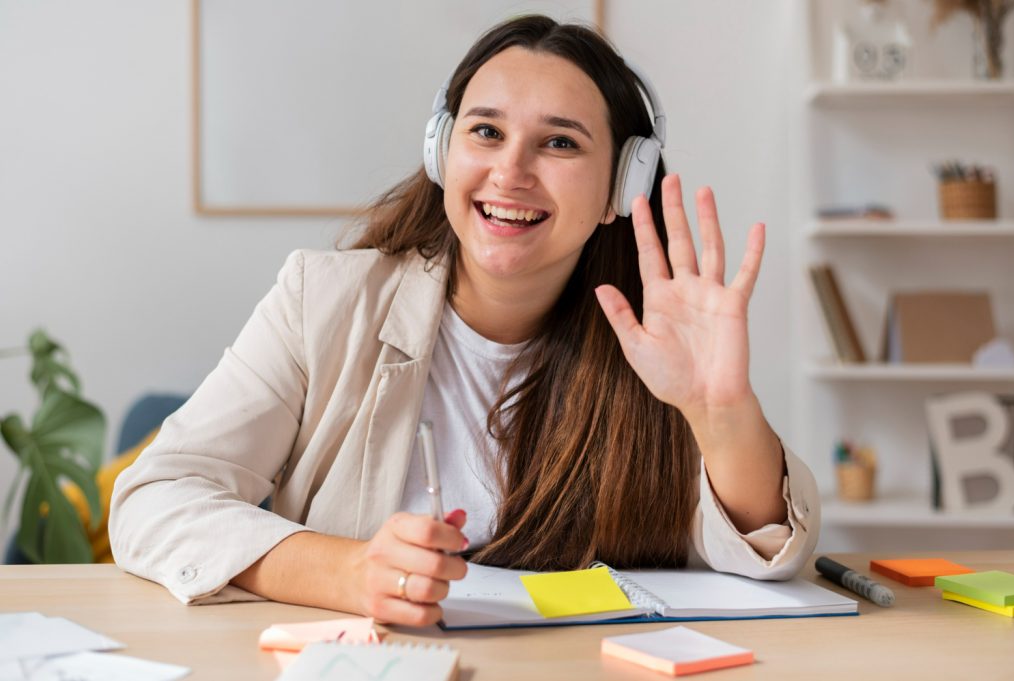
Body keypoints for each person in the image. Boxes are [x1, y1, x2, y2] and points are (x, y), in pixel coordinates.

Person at [110, 15, 819, 628]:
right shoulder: (322, 301)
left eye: (560, 143)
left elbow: (761, 553)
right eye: (485, 131)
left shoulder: (657, 337)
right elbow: (156, 497)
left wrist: (720, 410)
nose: (510, 171)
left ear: (623, 187)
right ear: (442, 153)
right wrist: (348, 571)